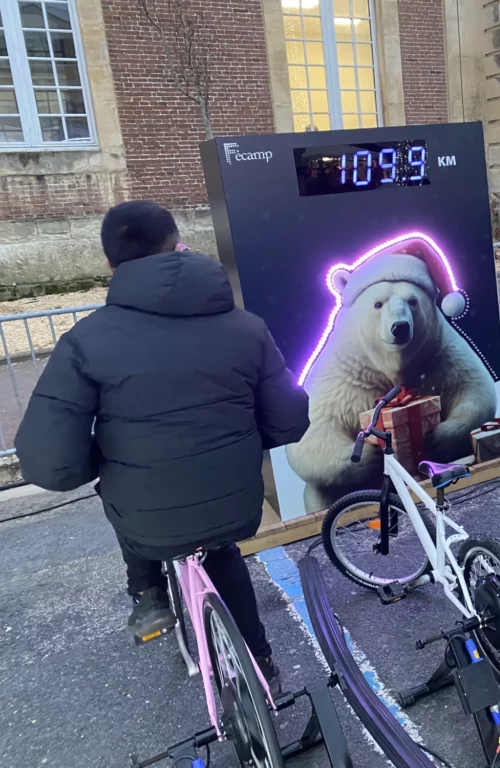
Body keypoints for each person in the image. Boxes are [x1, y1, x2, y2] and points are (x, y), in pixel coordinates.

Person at [15, 201, 310, 693]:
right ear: (178, 245)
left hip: (146, 514)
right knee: (222, 549)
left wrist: (101, 460)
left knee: (130, 507)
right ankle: (262, 665)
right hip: (235, 500)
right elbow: (290, 419)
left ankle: (148, 592)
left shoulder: (85, 342)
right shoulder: (244, 325)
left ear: (110, 266)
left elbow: (50, 463)